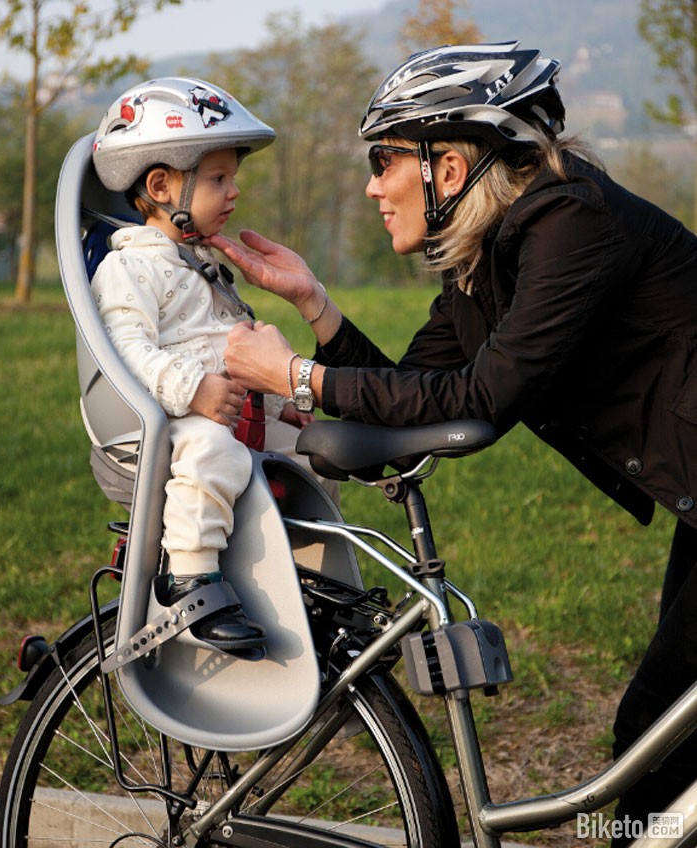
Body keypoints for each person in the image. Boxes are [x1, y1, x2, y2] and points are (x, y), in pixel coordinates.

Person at [211, 43, 697, 838]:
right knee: (668, 737)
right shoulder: (488, 259)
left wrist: (298, 377)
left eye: (384, 158)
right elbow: (408, 402)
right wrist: (315, 305)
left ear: (449, 165)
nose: (372, 185)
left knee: (660, 738)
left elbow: (482, 395)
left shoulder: (573, 223)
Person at [90, 77, 323, 661]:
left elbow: (230, 350)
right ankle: (191, 578)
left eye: (231, 178)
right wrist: (192, 390)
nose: (234, 192)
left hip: (225, 415)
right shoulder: (129, 270)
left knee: (314, 452)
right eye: (219, 179)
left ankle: (308, 578)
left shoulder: (200, 265)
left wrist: (280, 402)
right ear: (161, 186)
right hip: (166, 424)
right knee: (211, 450)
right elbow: (123, 349)